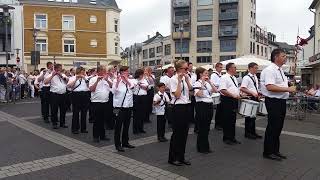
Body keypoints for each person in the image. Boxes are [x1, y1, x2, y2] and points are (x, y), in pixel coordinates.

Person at [260, 49, 296, 161]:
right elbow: (270, 87)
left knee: (278, 127)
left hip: (280, 101)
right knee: (272, 127)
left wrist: (289, 84)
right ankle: (268, 152)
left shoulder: (280, 70)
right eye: (283, 56)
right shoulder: (270, 70)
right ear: (276, 57)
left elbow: (280, 84)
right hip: (273, 101)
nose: (285, 58)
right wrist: (288, 89)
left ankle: (275, 150)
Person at [168, 60, 192, 166]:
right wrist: (178, 81)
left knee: (184, 133)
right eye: (186, 69)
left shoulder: (185, 78)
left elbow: (191, 90)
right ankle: (173, 158)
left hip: (186, 106)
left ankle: (181, 157)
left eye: (187, 69)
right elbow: (177, 95)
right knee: (177, 134)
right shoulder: (173, 79)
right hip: (178, 108)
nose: (188, 70)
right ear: (179, 69)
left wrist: (186, 80)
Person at [193, 67, 217, 154]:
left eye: (208, 74)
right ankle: (201, 147)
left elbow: (215, 90)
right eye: (206, 73)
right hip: (201, 105)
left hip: (209, 105)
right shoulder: (197, 83)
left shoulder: (207, 83)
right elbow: (200, 94)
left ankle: (206, 146)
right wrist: (202, 82)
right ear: (200, 74)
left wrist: (209, 81)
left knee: (207, 127)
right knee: (202, 127)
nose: (207, 75)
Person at [113, 66, 136, 152]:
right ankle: (117, 144)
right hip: (119, 107)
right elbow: (113, 92)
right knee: (118, 127)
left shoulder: (130, 80)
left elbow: (133, 89)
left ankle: (125, 142)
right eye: (126, 71)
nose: (128, 73)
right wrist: (118, 82)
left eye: (128, 71)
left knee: (126, 125)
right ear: (122, 72)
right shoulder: (116, 80)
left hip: (128, 106)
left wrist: (126, 80)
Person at [219, 63, 241, 145]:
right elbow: (223, 90)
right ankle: (227, 138)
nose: (236, 69)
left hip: (234, 99)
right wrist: (233, 95)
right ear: (230, 68)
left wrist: (239, 94)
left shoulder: (234, 78)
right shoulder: (224, 77)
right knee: (227, 119)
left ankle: (232, 137)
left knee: (233, 119)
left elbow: (234, 88)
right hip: (227, 100)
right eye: (235, 67)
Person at [89, 65, 112, 142]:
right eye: (104, 71)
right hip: (96, 102)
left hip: (105, 102)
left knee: (103, 120)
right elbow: (91, 89)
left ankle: (102, 135)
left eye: (105, 71)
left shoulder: (107, 78)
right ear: (99, 71)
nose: (105, 72)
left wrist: (107, 80)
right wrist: (97, 81)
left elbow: (112, 86)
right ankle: (95, 136)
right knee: (96, 120)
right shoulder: (92, 79)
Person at [240, 62, 263, 140]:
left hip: (255, 97)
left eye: (257, 68)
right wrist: (252, 93)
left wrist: (258, 93)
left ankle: (253, 132)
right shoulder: (246, 78)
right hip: (250, 98)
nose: (257, 69)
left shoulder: (255, 77)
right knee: (249, 116)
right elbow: (242, 88)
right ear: (250, 68)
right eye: (255, 68)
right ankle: (248, 133)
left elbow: (254, 88)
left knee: (253, 116)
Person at [44, 64, 69, 129]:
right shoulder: (50, 75)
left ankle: (62, 123)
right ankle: (54, 123)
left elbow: (67, 81)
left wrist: (61, 75)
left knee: (63, 110)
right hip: (54, 95)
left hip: (63, 94)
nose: (61, 69)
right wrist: (52, 75)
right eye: (60, 68)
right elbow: (45, 82)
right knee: (54, 109)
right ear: (56, 69)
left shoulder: (63, 75)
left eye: (61, 68)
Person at [67, 67, 90, 134]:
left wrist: (85, 78)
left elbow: (89, 86)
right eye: (82, 71)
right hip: (76, 95)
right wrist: (76, 79)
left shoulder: (86, 78)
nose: (83, 73)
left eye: (84, 71)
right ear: (78, 71)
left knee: (84, 112)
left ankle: (83, 128)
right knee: (76, 112)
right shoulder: (73, 78)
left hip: (85, 94)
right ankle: (75, 128)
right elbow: (69, 86)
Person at [132, 69, 148, 134]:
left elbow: (146, 87)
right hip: (137, 97)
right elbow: (132, 88)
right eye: (141, 74)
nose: (142, 75)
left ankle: (141, 128)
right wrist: (137, 84)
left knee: (142, 113)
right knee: (136, 114)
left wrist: (141, 85)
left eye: (142, 74)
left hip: (143, 97)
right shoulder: (133, 80)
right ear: (138, 74)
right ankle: (135, 129)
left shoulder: (144, 80)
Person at [210, 63, 223, 131]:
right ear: (216, 67)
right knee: (218, 110)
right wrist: (219, 85)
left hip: (220, 93)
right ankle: (217, 124)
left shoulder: (220, 75)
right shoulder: (214, 75)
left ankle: (220, 123)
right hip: (216, 93)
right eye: (220, 67)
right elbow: (212, 84)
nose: (221, 69)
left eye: (221, 67)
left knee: (221, 110)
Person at [187, 63, 197, 132]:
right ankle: (189, 119)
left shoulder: (194, 74)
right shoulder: (186, 74)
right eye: (190, 66)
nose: (191, 68)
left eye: (192, 66)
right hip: (187, 91)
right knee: (189, 106)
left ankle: (192, 119)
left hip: (194, 91)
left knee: (193, 105)